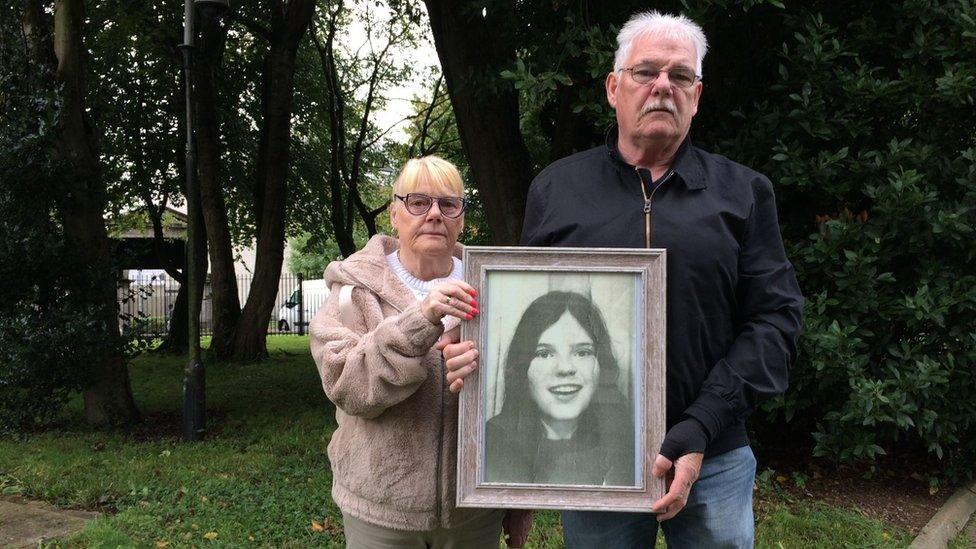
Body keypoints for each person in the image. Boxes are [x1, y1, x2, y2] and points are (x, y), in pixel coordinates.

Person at [444, 10, 804, 548]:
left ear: (697, 95)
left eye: (680, 76)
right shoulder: (556, 188)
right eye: (646, 72)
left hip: (716, 454)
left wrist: (704, 421)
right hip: (589, 462)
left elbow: (776, 321)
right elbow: (519, 313)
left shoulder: (744, 193)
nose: (663, 86)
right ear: (614, 87)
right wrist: (472, 347)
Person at [309, 156, 531, 548]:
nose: (434, 215)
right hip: (381, 510)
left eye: (448, 204)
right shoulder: (352, 291)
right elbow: (348, 388)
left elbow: (523, 399)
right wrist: (420, 319)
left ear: (461, 219)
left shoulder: (497, 285)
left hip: (474, 511)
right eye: (417, 202)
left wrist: (517, 498)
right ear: (394, 214)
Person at [484, 291, 634, 486]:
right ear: (523, 368)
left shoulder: (627, 442)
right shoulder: (493, 441)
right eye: (544, 353)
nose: (565, 368)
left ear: (601, 364)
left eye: (582, 352)